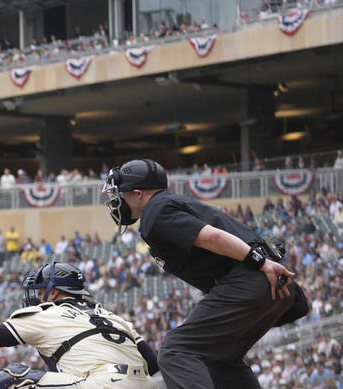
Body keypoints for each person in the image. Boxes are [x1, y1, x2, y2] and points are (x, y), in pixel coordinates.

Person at [103, 159, 309, 389]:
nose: (117, 200)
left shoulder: (155, 211)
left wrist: (259, 262)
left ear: (138, 193)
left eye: (121, 193)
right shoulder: (167, 205)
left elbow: (214, 237)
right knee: (219, 358)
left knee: (175, 349)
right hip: (268, 281)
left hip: (254, 276)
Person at [0, 262, 158, 388]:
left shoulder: (49, 312)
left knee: (15, 376)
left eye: (40, 292)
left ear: (55, 292)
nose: (37, 297)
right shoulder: (114, 318)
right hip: (146, 385)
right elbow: (155, 365)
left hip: (102, 385)